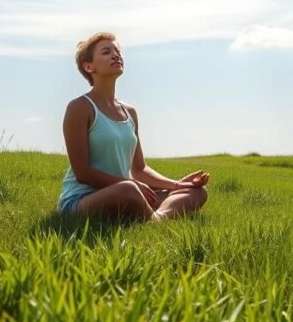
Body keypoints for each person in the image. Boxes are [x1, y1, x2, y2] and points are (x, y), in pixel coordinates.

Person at [56, 31, 209, 221]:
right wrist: (132, 185)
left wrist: (177, 185)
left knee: (198, 193)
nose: (116, 55)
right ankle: (155, 219)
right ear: (89, 66)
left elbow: (140, 169)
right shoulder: (80, 107)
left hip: (127, 192)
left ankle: (155, 218)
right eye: (106, 52)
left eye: (117, 51)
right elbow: (83, 173)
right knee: (128, 190)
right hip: (82, 200)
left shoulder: (130, 112)